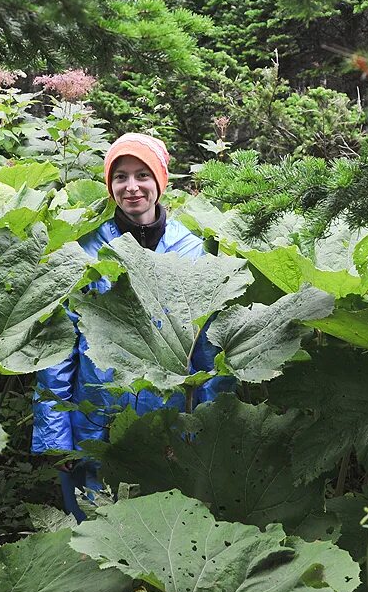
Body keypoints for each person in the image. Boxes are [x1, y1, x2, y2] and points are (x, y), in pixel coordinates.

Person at [31, 132, 233, 518]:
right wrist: (56, 436)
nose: (131, 187)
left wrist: (210, 430)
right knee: (98, 535)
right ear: (110, 185)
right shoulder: (85, 250)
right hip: (96, 418)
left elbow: (210, 351)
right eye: (120, 176)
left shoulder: (194, 252)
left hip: (171, 423)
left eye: (142, 175)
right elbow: (55, 351)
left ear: (161, 181)